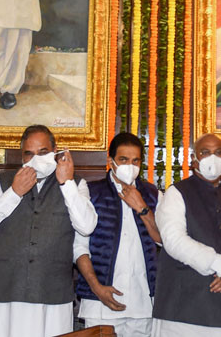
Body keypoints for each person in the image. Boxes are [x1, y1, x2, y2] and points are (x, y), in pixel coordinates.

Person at [0, 125, 97, 336]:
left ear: (56, 151)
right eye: (29, 154)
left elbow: (86, 226)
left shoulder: (76, 183)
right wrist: (14, 192)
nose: (36, 159)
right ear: (22, 156)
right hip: (6, 293)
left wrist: (66, 183)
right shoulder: (2, 182)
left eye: (43, 152)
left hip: (52, 296)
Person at [151, 134, 221, 336]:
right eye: (205, 152)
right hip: (185, 314)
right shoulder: (176, 193)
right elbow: (174, 240)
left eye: (218, 152)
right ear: (194, 160)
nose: (213, 157)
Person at [75, 133, 162, 336]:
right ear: (110, 161)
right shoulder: (91, 192)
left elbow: (163, 240)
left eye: (135, 161)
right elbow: (79, 247)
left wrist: (142, 207)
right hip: (100, 303)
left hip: (143, 304)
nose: (129, 166)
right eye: (123, 160)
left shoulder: (152, 194)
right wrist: (96, 288)